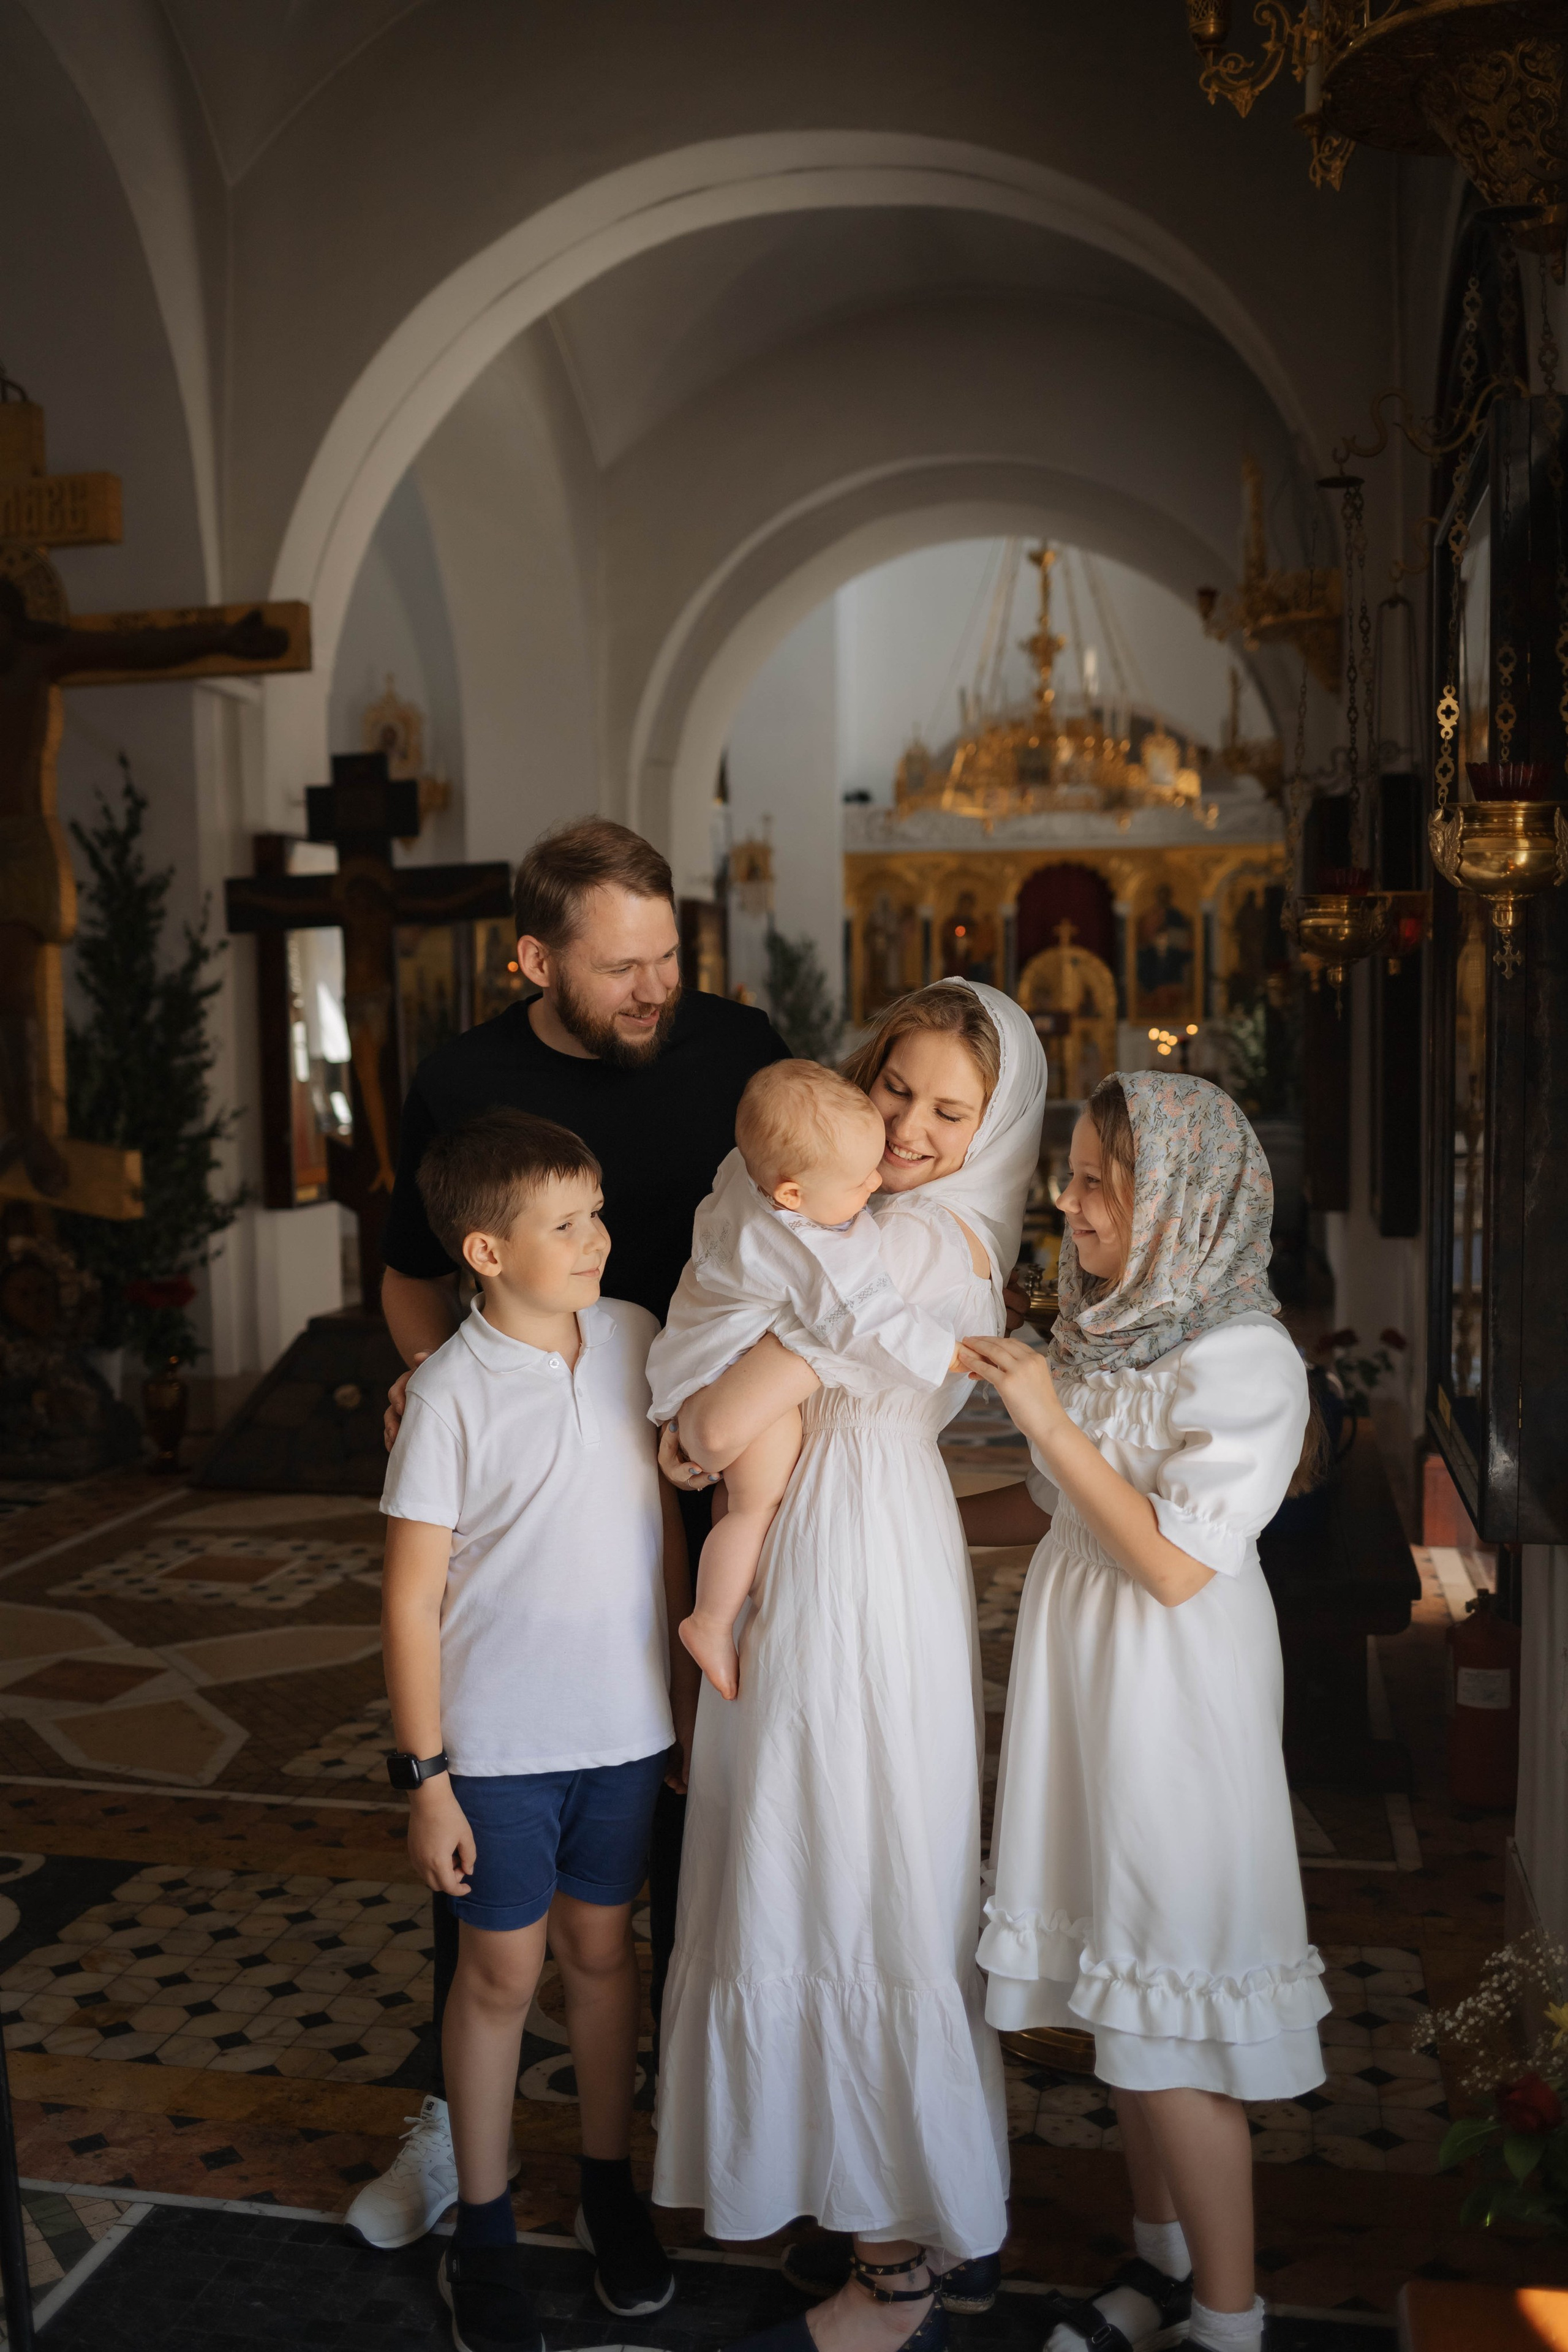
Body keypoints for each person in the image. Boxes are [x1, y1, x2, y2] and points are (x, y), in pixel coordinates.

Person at [352, 815, 787, 2252]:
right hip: (526, 1436)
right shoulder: (467, 1079)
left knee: (681, 1828)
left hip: (712, 1461)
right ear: (534, 957)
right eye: (620, 967)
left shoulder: (740, 1050)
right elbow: (414, 1267)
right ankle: (452, 2134)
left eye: (669, 954)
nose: (655, 986)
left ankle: (677, 2137)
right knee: (491, 1845)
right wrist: (442, 1388)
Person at [653, 979, 1046, 2352]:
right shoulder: (839, 1216)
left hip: (861, 1553)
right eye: (896, 1093)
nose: (913, 1128)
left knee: (861, 1857)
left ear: (995, 1128)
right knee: (803, 1845)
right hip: (815, 1539)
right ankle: (858, 2188)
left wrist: (699, 1439)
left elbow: (724, 1405)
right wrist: (705, 1438)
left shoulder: (926, 1245)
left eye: (952, 1111)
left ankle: (896, 2258)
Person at [956, 1072, 1328, 2352]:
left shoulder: (1244, 1360)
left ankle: (1231, 2323)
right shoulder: (1114, 1328)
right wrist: (907, 1526)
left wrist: (1046, 1423)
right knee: (1123, 2002)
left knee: (1167, 2018)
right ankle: (1164, 2270)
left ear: (1177, 1202)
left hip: (1169, 1701)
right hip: (1085, 1688)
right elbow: (1062, 1512)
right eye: (1069, 1174)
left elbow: (1170, 1561)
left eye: (1096, 1182)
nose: (1068, 1202)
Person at [381, 1107, 688, 2351]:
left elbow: (666, 1531)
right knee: (503, 1976)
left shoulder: (634, 1338)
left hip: (623, 1734)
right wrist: (426, 1778)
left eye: (597, 1211)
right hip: (496, 1751)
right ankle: (488, 2227)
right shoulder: (450, 1391)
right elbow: (408, 1598)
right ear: (487, 1252)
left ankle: (608, 2189)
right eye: (565, 1224)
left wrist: (678, 1696)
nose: (599, 1239)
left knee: (605, 1961)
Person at [649, 1058, 959, 1698]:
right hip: (725, 1369)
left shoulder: (744, 1168)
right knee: (756, 1503)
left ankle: (722, 1596)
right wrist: (953, 1354)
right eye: (857, 1181)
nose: (874, 1182)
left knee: (736, 1493)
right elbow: (868, 1320)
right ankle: (709, 1621)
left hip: (686, 1349)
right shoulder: (813, 1247)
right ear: (792, 1197)